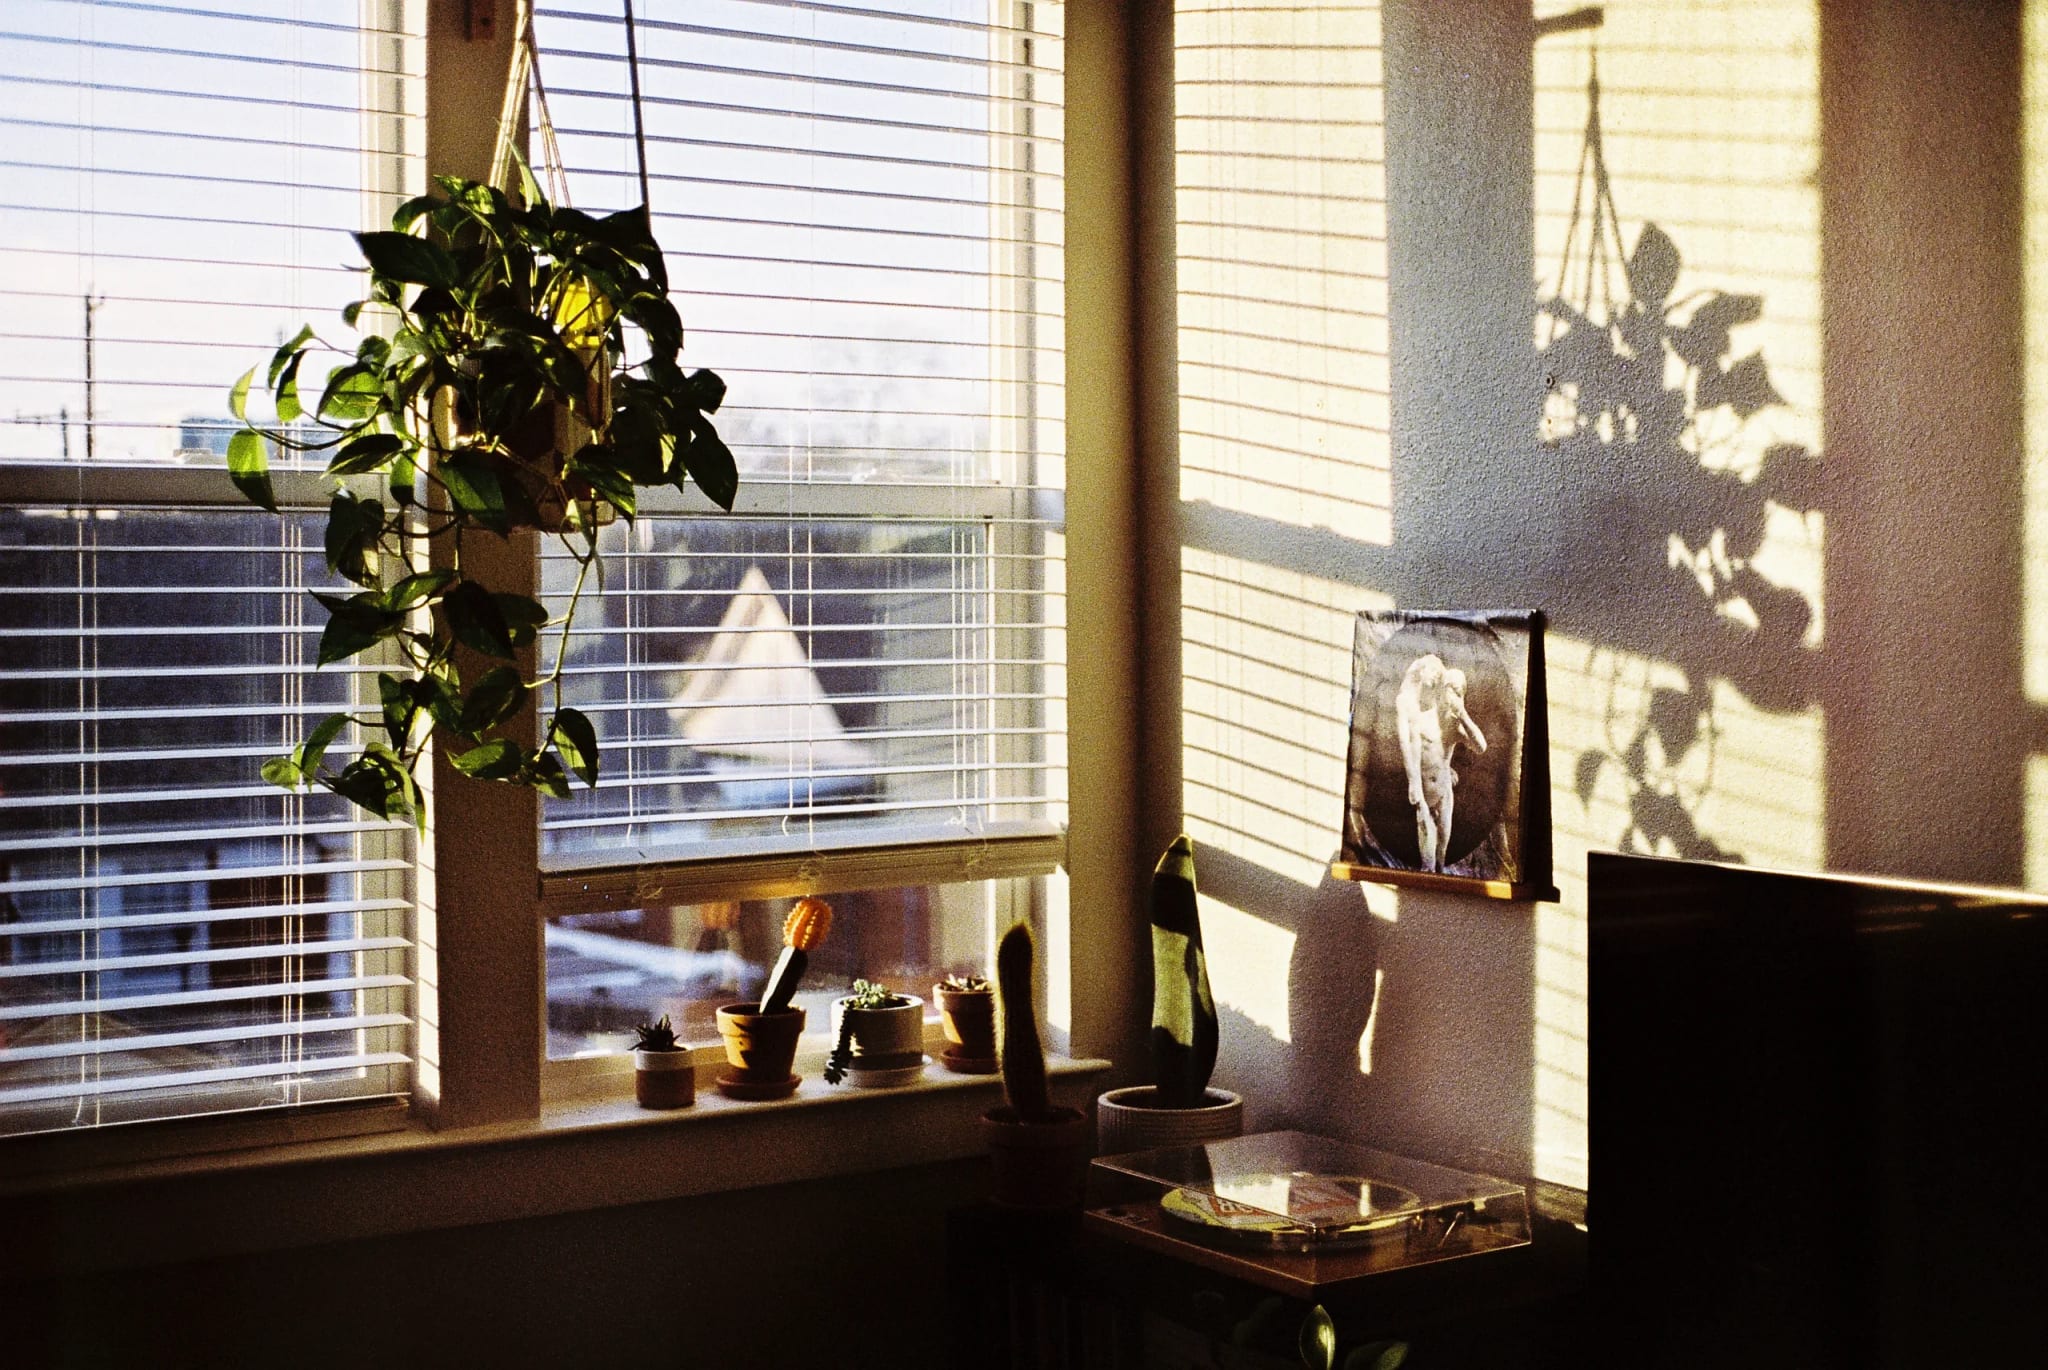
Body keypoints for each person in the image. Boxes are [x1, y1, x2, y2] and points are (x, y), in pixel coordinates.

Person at [1395, 653, 1487, 871]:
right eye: (1449, 689)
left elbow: (1481, 747)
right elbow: (1415, 754)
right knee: (1427, 858)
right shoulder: (1423, 720)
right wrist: (1414, 784)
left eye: (1458, 692)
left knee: (1441, 855)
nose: (1452, 696)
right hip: (1425, 794)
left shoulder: (1455, 727)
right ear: (1441, 690)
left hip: (1445, 793)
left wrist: (1463, 715)